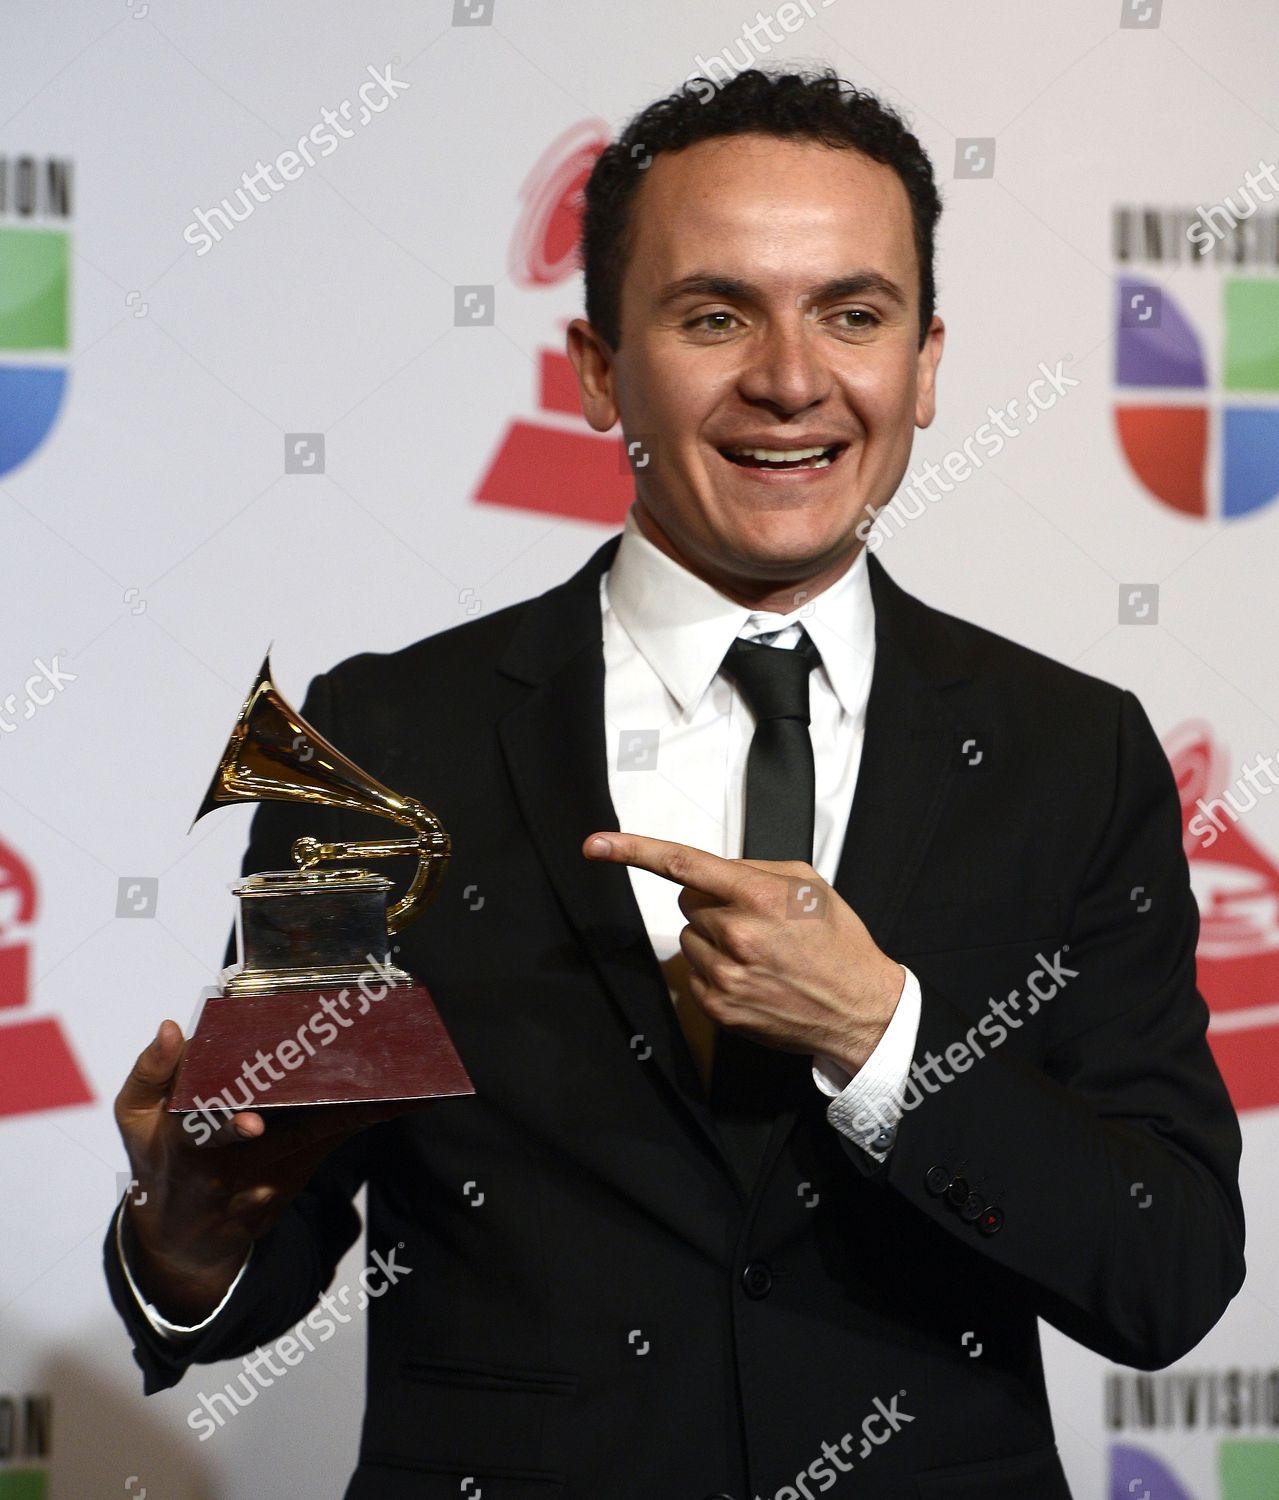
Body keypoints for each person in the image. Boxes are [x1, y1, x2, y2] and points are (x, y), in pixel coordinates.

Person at [106, 67, 1245, 1500]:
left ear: (929, 364)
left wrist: (883, 1035)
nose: (790, 376)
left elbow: (1168, 1270)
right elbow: (268, 1214)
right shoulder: (386, 737)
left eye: (854, 312)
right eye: (715, 315)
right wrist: (192, 1240)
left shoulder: (1072, 752)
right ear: (596, 369)